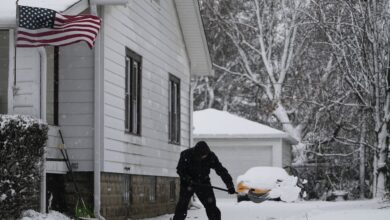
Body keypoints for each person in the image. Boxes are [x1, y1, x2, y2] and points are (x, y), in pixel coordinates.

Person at [172, 141, 235, 220]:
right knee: (182, 206)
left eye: (205, 155)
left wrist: (230, 185)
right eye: (202, 156)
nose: (204, 157)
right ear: (196, 153)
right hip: (188, 183)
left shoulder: (211, 156)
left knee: (211, 206)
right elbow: (180, 170)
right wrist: (188, 179)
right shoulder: (186, 154)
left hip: (203, 182)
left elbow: (221, 171)